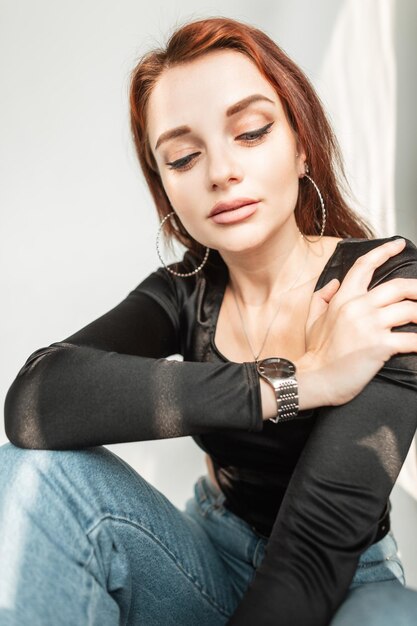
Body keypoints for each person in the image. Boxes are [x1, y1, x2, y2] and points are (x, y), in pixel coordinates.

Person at [2, 15, 417, 626]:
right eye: (184, 156)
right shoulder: (183, 293)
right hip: (204, 559)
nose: (219, 172)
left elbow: (311, 556)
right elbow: (35, 402)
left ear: (302, 144)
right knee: (34, 475)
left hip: (342, 579)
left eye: (250, 132)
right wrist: (299, 379)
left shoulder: (384, 282)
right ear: (166, 188)